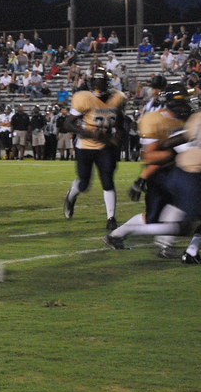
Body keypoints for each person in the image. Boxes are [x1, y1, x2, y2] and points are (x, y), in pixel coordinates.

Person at [106, 83, 192, 256]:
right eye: (181, 101)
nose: (185, 106)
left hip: (178, 172)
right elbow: (150, 157)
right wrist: (142, 178)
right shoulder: (153, 120)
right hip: (160, 173)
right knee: (151, 218)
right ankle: (116, 235)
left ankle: (165, 245)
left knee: (181, 206)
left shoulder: (187, 118)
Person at [63, 70, 127, 231]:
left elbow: (119, 121)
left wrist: (118, 136)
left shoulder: (117, 98)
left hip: (106, 146)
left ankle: (111, 218)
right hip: (85, 146)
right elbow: (68, 123)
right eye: (95, 84)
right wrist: (89, 133)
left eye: (100, 84)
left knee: (108, 181)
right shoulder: (84, 98)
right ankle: (72, 195)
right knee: (84, 184)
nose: (98, 87)